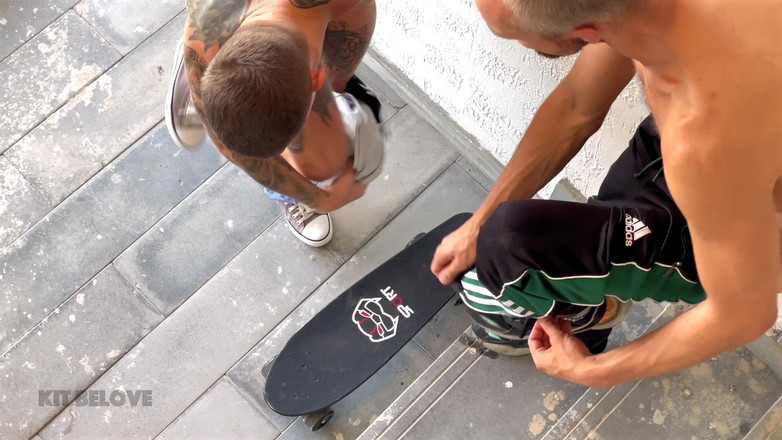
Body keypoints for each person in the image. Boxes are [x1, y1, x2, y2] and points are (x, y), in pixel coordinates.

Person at [432, 0, 781, 388]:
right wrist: (475, 224)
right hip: (679, 156)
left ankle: (587, 320)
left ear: (585, 34)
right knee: (522, 236)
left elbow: (744, 313)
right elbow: (576, 107)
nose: (519, 46)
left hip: (746, 231)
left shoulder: (700, 142)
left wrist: (594, 371)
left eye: (516, 38)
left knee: (508, 245)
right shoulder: (638, 14)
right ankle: (589, 289)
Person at [165, 0, 384, 247]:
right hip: (212, 29)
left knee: (320, 163)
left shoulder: (351, 6)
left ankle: (199, 77)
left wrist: (338, 95)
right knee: (204, 44)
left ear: (317, 78)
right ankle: (195, 73)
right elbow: (228, 146)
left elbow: (338, 77)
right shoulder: (204, 29)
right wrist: (319, 199)